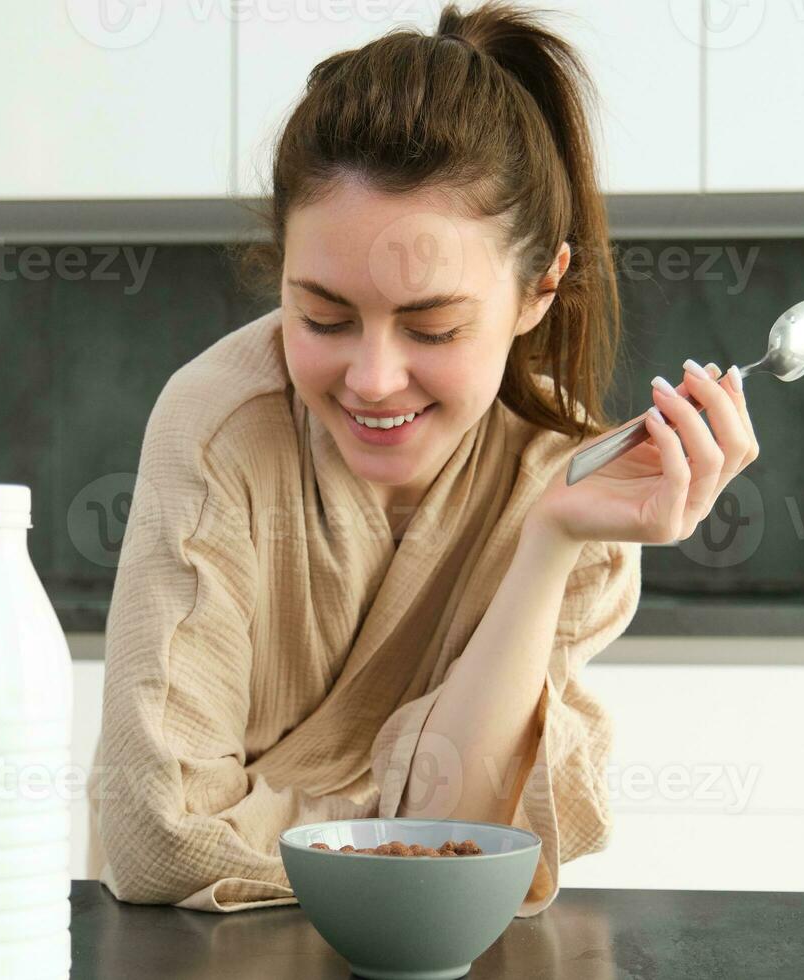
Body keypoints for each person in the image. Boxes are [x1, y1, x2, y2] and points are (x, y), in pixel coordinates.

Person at [89, 2, 757, 917]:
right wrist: (401, 832)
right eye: (320, 317)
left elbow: (476, 841)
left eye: (432, 327)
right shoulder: (219, 430)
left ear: (540, 289)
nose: (371, 378)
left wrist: (549, 541)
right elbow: (156, 839)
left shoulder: (570, 477)